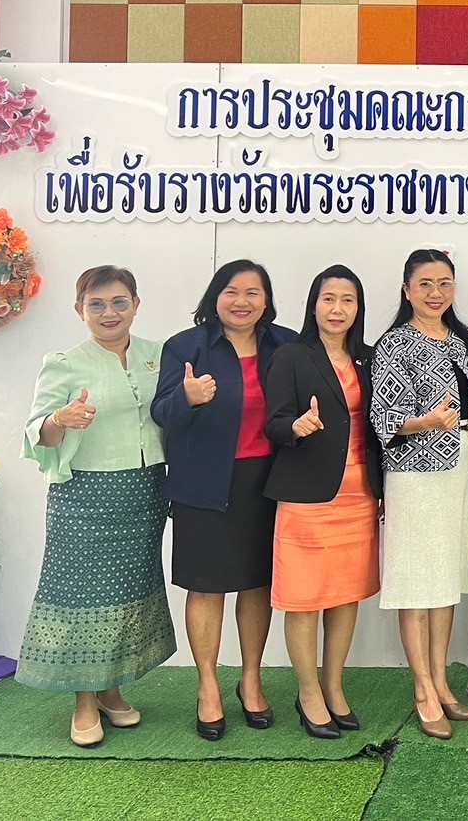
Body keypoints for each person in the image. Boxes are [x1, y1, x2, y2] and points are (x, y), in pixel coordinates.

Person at [18, 265, 176, 747]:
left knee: (127, 594)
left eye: (119, 302)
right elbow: (36, 433)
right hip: (84, 496)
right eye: (97, 304)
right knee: (82, 597)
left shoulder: (159, 356)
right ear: (79, 310)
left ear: (136, 304)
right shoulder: (64, 363)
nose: (110, 312)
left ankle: (110, 689)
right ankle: (84, 701)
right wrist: (60, 419)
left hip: (145, 492)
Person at [152, 260, 296, 740]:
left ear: (266, 300)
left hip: (267, 483)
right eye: (231, 291)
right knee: (207, 587)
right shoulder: (186, 346)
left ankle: (251, 680)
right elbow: (162, 414)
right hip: (204, 484)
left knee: (257, 585)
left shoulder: (285, 344)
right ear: (215, 296)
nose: (241, 301)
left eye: (253, 292)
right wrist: (188, 397)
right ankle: (208, 686)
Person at [263, 265, 382, 740]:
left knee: (346, 595)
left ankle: (333, 686)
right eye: (329, 299)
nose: (338, 309)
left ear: (358, 308)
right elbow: (274, 422)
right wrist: (295, 427)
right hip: (308, 498)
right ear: (314, 305)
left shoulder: (369, 358)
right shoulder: (291, 356)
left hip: (359, 494)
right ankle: (308, 691)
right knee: (304, 598)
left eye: (347, 300)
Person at [371, 249, 468, 741]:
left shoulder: (465, 339)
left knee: (445, 578)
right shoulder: (394, 344)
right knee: (417, 580)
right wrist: (426, 422)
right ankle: (422, 690)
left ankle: (441, 681)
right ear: (407, 289)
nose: (436, 293)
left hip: (461, 467)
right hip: (415, 473)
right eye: (425, 284)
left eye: (445, 284)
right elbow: (383, 420)